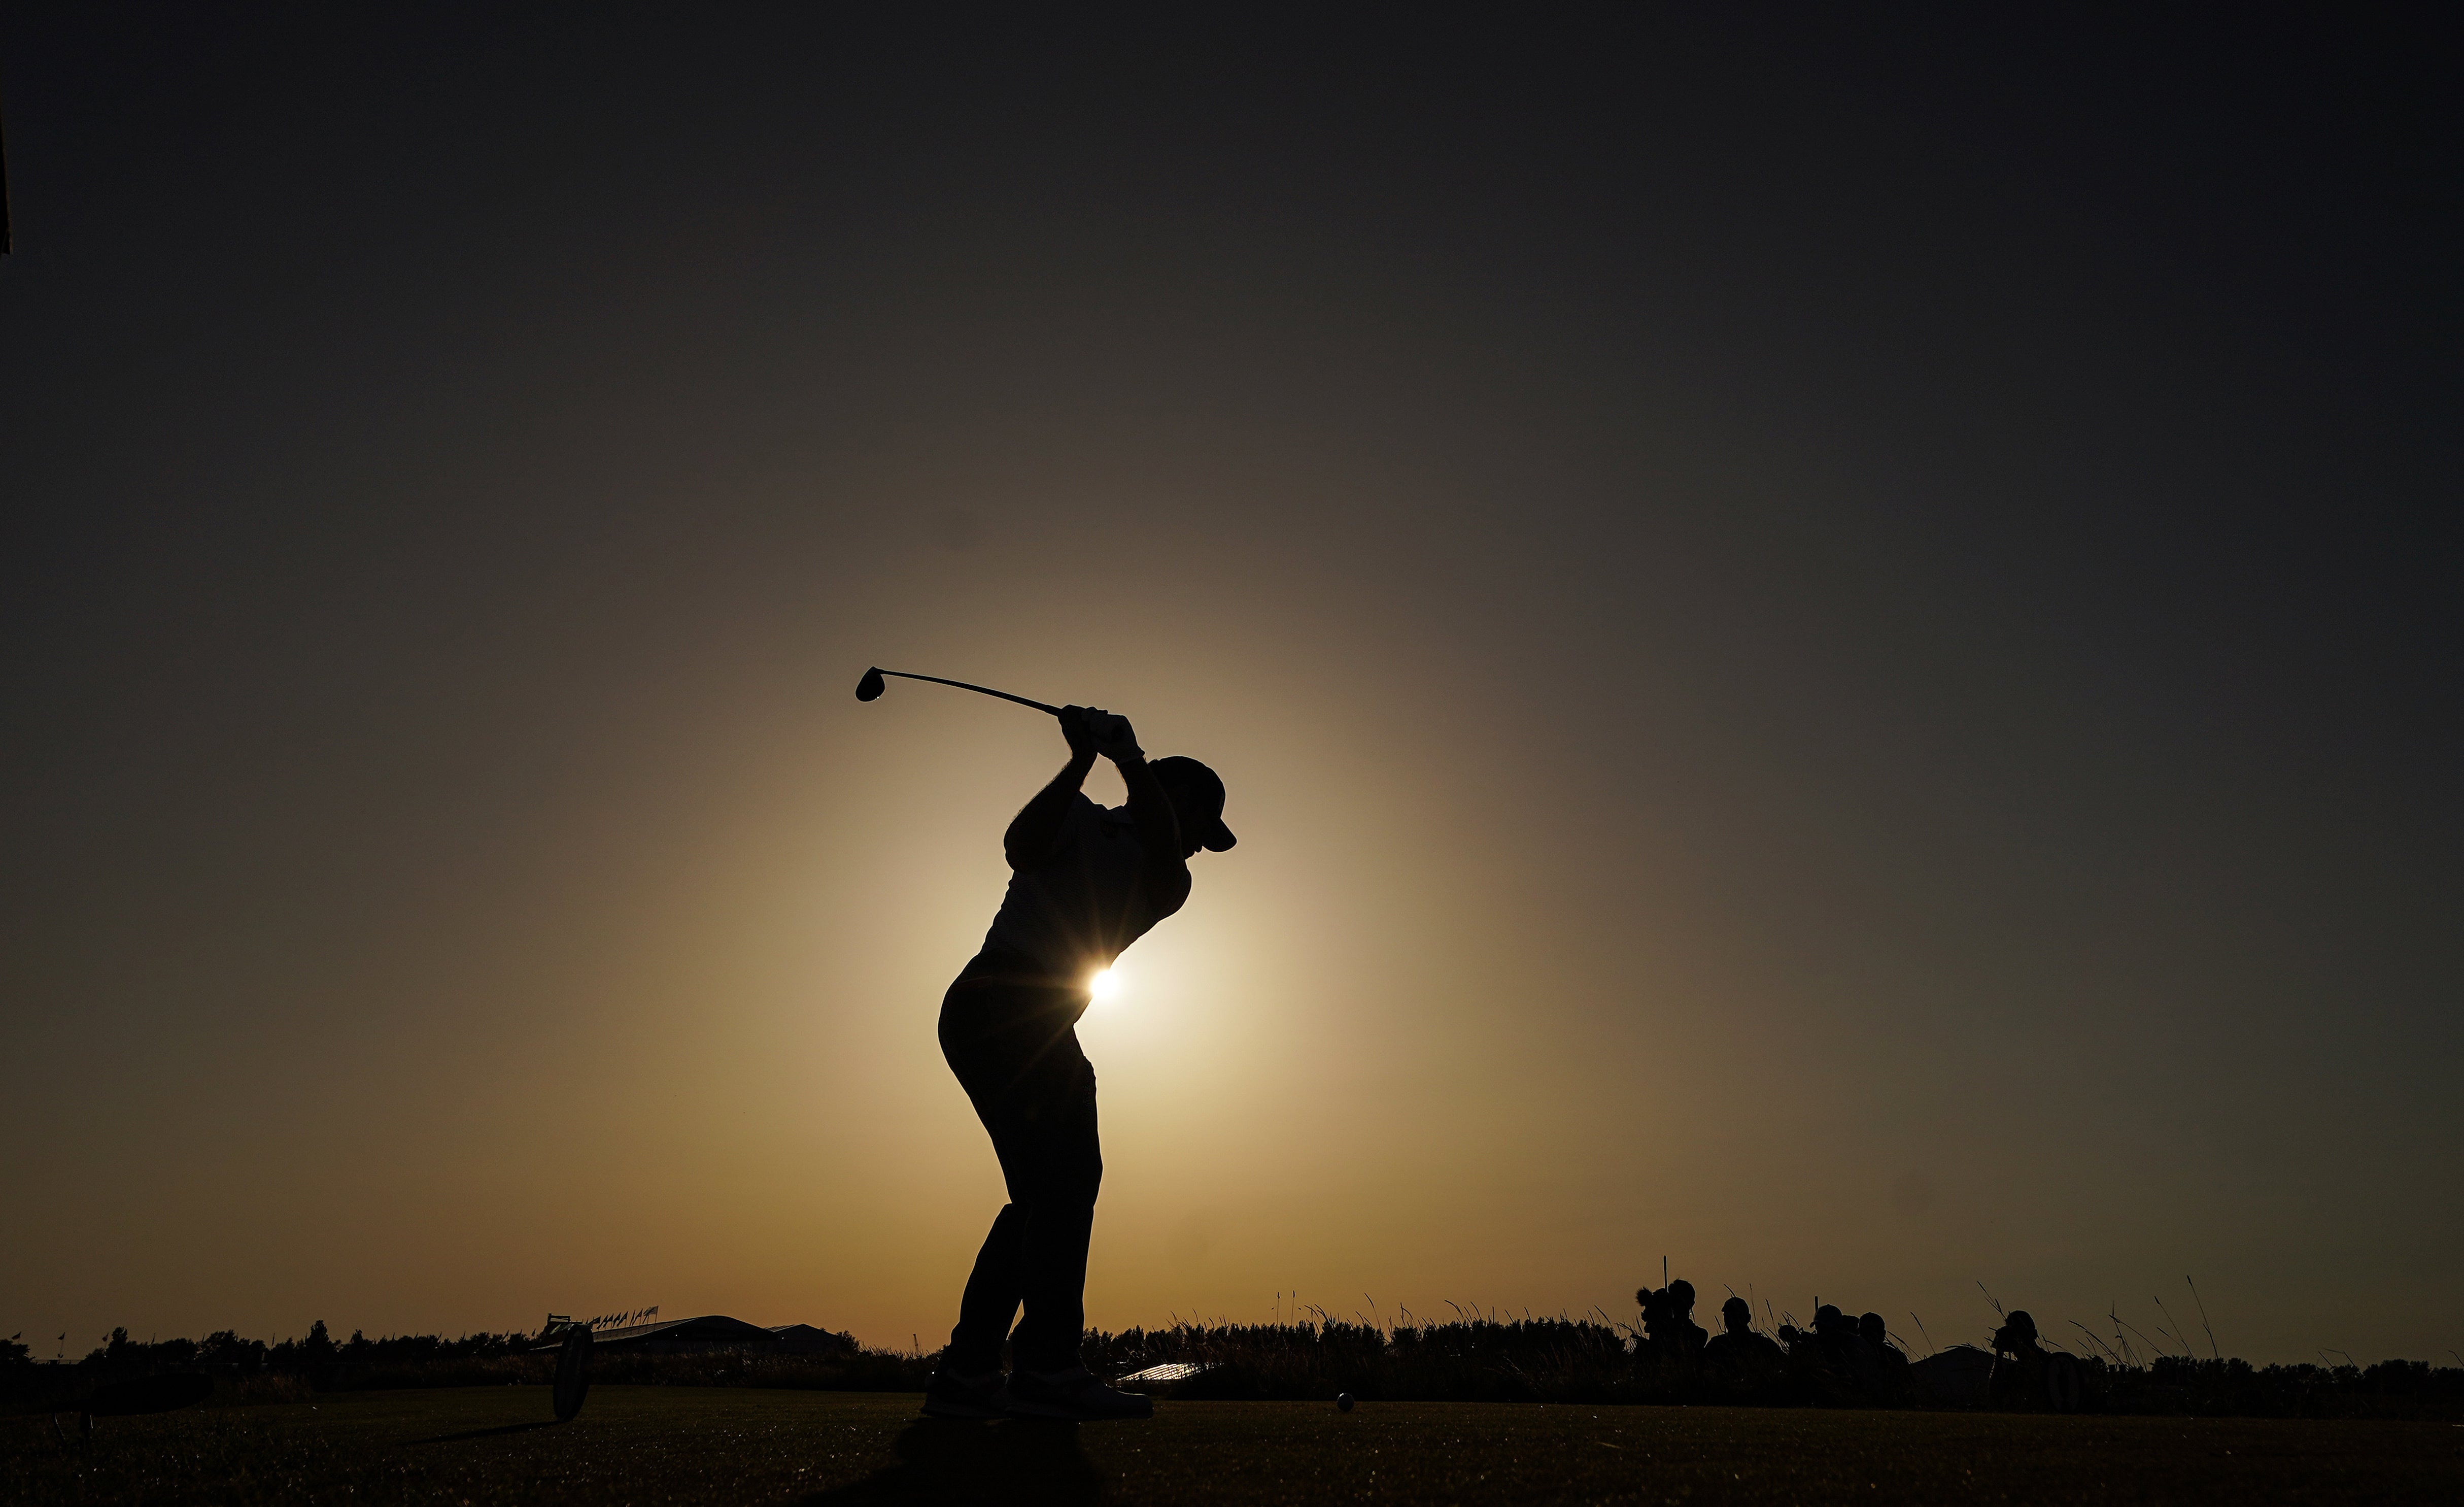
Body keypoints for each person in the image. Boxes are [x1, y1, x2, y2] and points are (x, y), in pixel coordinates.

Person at [922, 706, 1235, 1422]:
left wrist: (1127, 758)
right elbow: (1021, 848)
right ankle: (1047, 1370)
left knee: (1043, 1195)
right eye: (1200, 826)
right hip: (994, 1000)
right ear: (1178, 800)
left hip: (1029, 1019)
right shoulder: (1086, 815)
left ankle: (970, 1374)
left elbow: (1161, 846)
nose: (1196, 849)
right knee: (1061, 1188)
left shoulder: (1168, 878)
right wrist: (1081, 761)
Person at [1702, 1296, 1785, 1400]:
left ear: (1747, 1318)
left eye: (1735, 1315)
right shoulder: (1717, 1345)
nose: (1731, 1319)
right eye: (1727, 1316)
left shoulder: (1764, 1345)